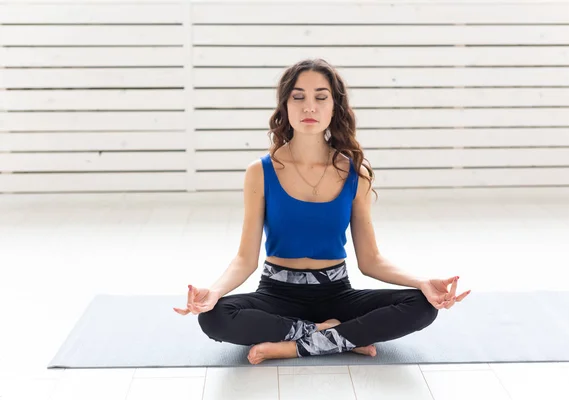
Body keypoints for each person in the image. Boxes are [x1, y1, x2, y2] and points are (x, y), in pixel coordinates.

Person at [173, 58, 471, 365]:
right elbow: (245, 259)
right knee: (214, 317)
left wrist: (421, 282)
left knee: (422, 306)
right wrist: (214, 291)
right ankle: (338, 337)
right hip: (276, 294)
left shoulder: (357, 172)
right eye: (298, 97)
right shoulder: (259, 172)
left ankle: (290, 345)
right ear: (285, 107)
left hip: (337, 294)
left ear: (334, 107)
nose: (309, 107)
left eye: (321, 97)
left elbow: (371, 261)